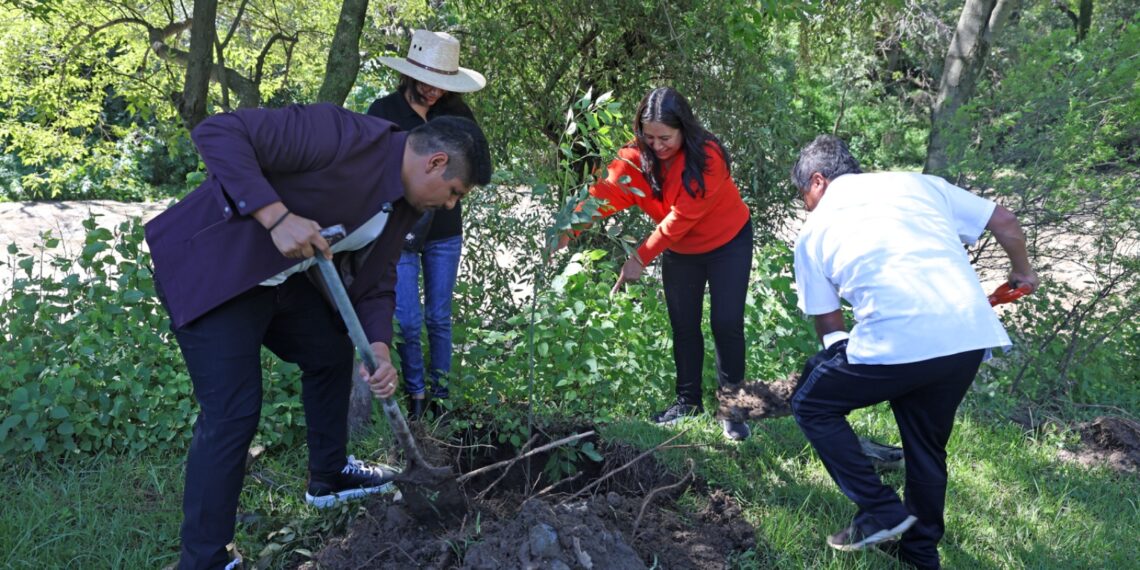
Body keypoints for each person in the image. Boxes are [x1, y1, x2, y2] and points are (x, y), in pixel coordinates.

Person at [144, 103, 491, 570]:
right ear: (435, 162)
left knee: (329, 347)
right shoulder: (342, 134)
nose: (451, 204)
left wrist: (380, 352)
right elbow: (220, 131)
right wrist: (276, 216)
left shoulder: (406, 206)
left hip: (277, 280)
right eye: (453, 192)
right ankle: (205, 557)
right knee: (233, 411)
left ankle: (329, 476)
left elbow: (378, 280)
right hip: (214, 271)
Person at [788, 135, 1037, 568]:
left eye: (803, 196)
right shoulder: (920, 185)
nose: (806, 207)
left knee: (812, 405)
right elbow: (1006, 221)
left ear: (818, 181)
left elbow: (828, 320)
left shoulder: (813, 231)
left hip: (897, 339)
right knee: (926, 445)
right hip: (967, 336)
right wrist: (1022, 270)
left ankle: (880, 509)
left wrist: (841, 355)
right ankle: (920, 555)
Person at [555, 87, 754, 441]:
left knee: (726, 323)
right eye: (649, 137)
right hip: (681, 251)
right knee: (684, 325)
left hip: (728, 243)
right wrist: (569, 226)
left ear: (684, 129)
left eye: (666, 137)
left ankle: (734, 410)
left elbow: (680, 218)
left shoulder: (708, 157)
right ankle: (687, 404)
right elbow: (604, 194)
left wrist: (639, 258)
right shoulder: (635, 159)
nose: (658, 145)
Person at [367, 29, 486, 420]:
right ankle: (416, 397)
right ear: (409, 74)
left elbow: (477, 167)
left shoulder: (457, 115)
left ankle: (441, 398)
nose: (433, 92)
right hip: (398, 230)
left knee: (438, 316)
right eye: (426, 82)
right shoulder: (382, 111)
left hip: (444, 232)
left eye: (441, 85)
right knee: (408, 318)